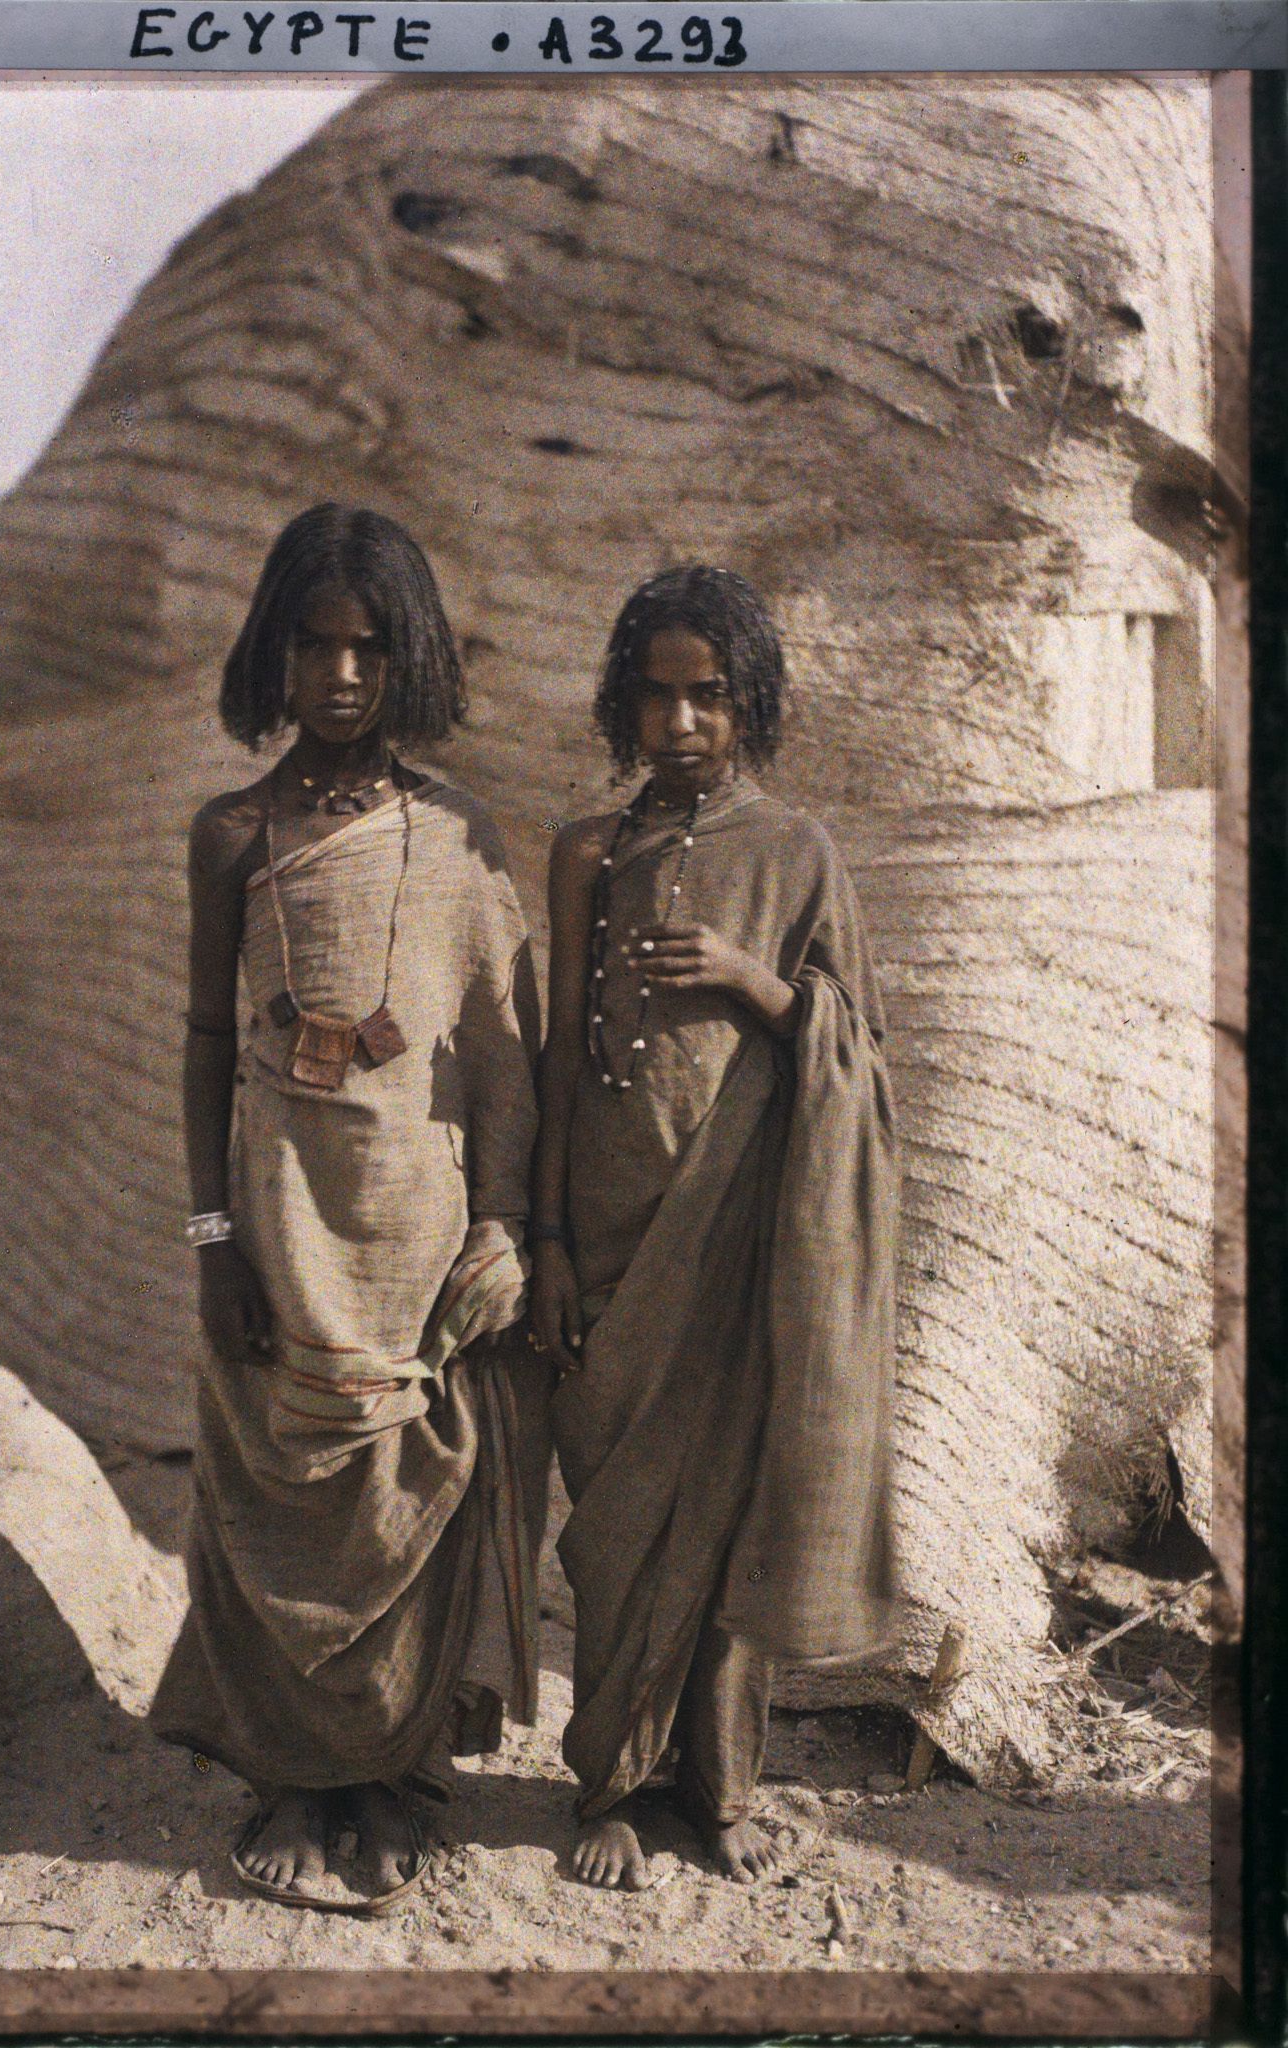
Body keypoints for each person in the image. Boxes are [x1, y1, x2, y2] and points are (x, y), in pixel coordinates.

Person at [151, 503, 545, 1914]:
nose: (341, 675)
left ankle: (386, 1776)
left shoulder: (458, 836)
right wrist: (213, 1244)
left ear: (410, 658)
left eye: (370, 649)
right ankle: (300, 1779)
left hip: (413, 1237)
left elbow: (502, 1051)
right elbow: (207, 1045)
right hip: (276, 1227)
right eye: (314, 647)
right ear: (274, 653)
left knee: (399, 1501)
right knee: (280, 1495)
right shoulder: (232, 834)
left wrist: (504, 1223)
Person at [529, 565, 898, 1892]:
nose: (679, 722)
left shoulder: (799, 854)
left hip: (744, 1243)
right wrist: (548, 1238)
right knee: (620, 1527)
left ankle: (723, 1789)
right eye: (656, 695)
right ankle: (616, 1789)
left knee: (729, 1515)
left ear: (752, 705)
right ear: (622, 702)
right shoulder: (587, 850)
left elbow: (861, 1058)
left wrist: (757, 982)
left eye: (709, 697)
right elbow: (559, 1055)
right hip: (610, 1241)